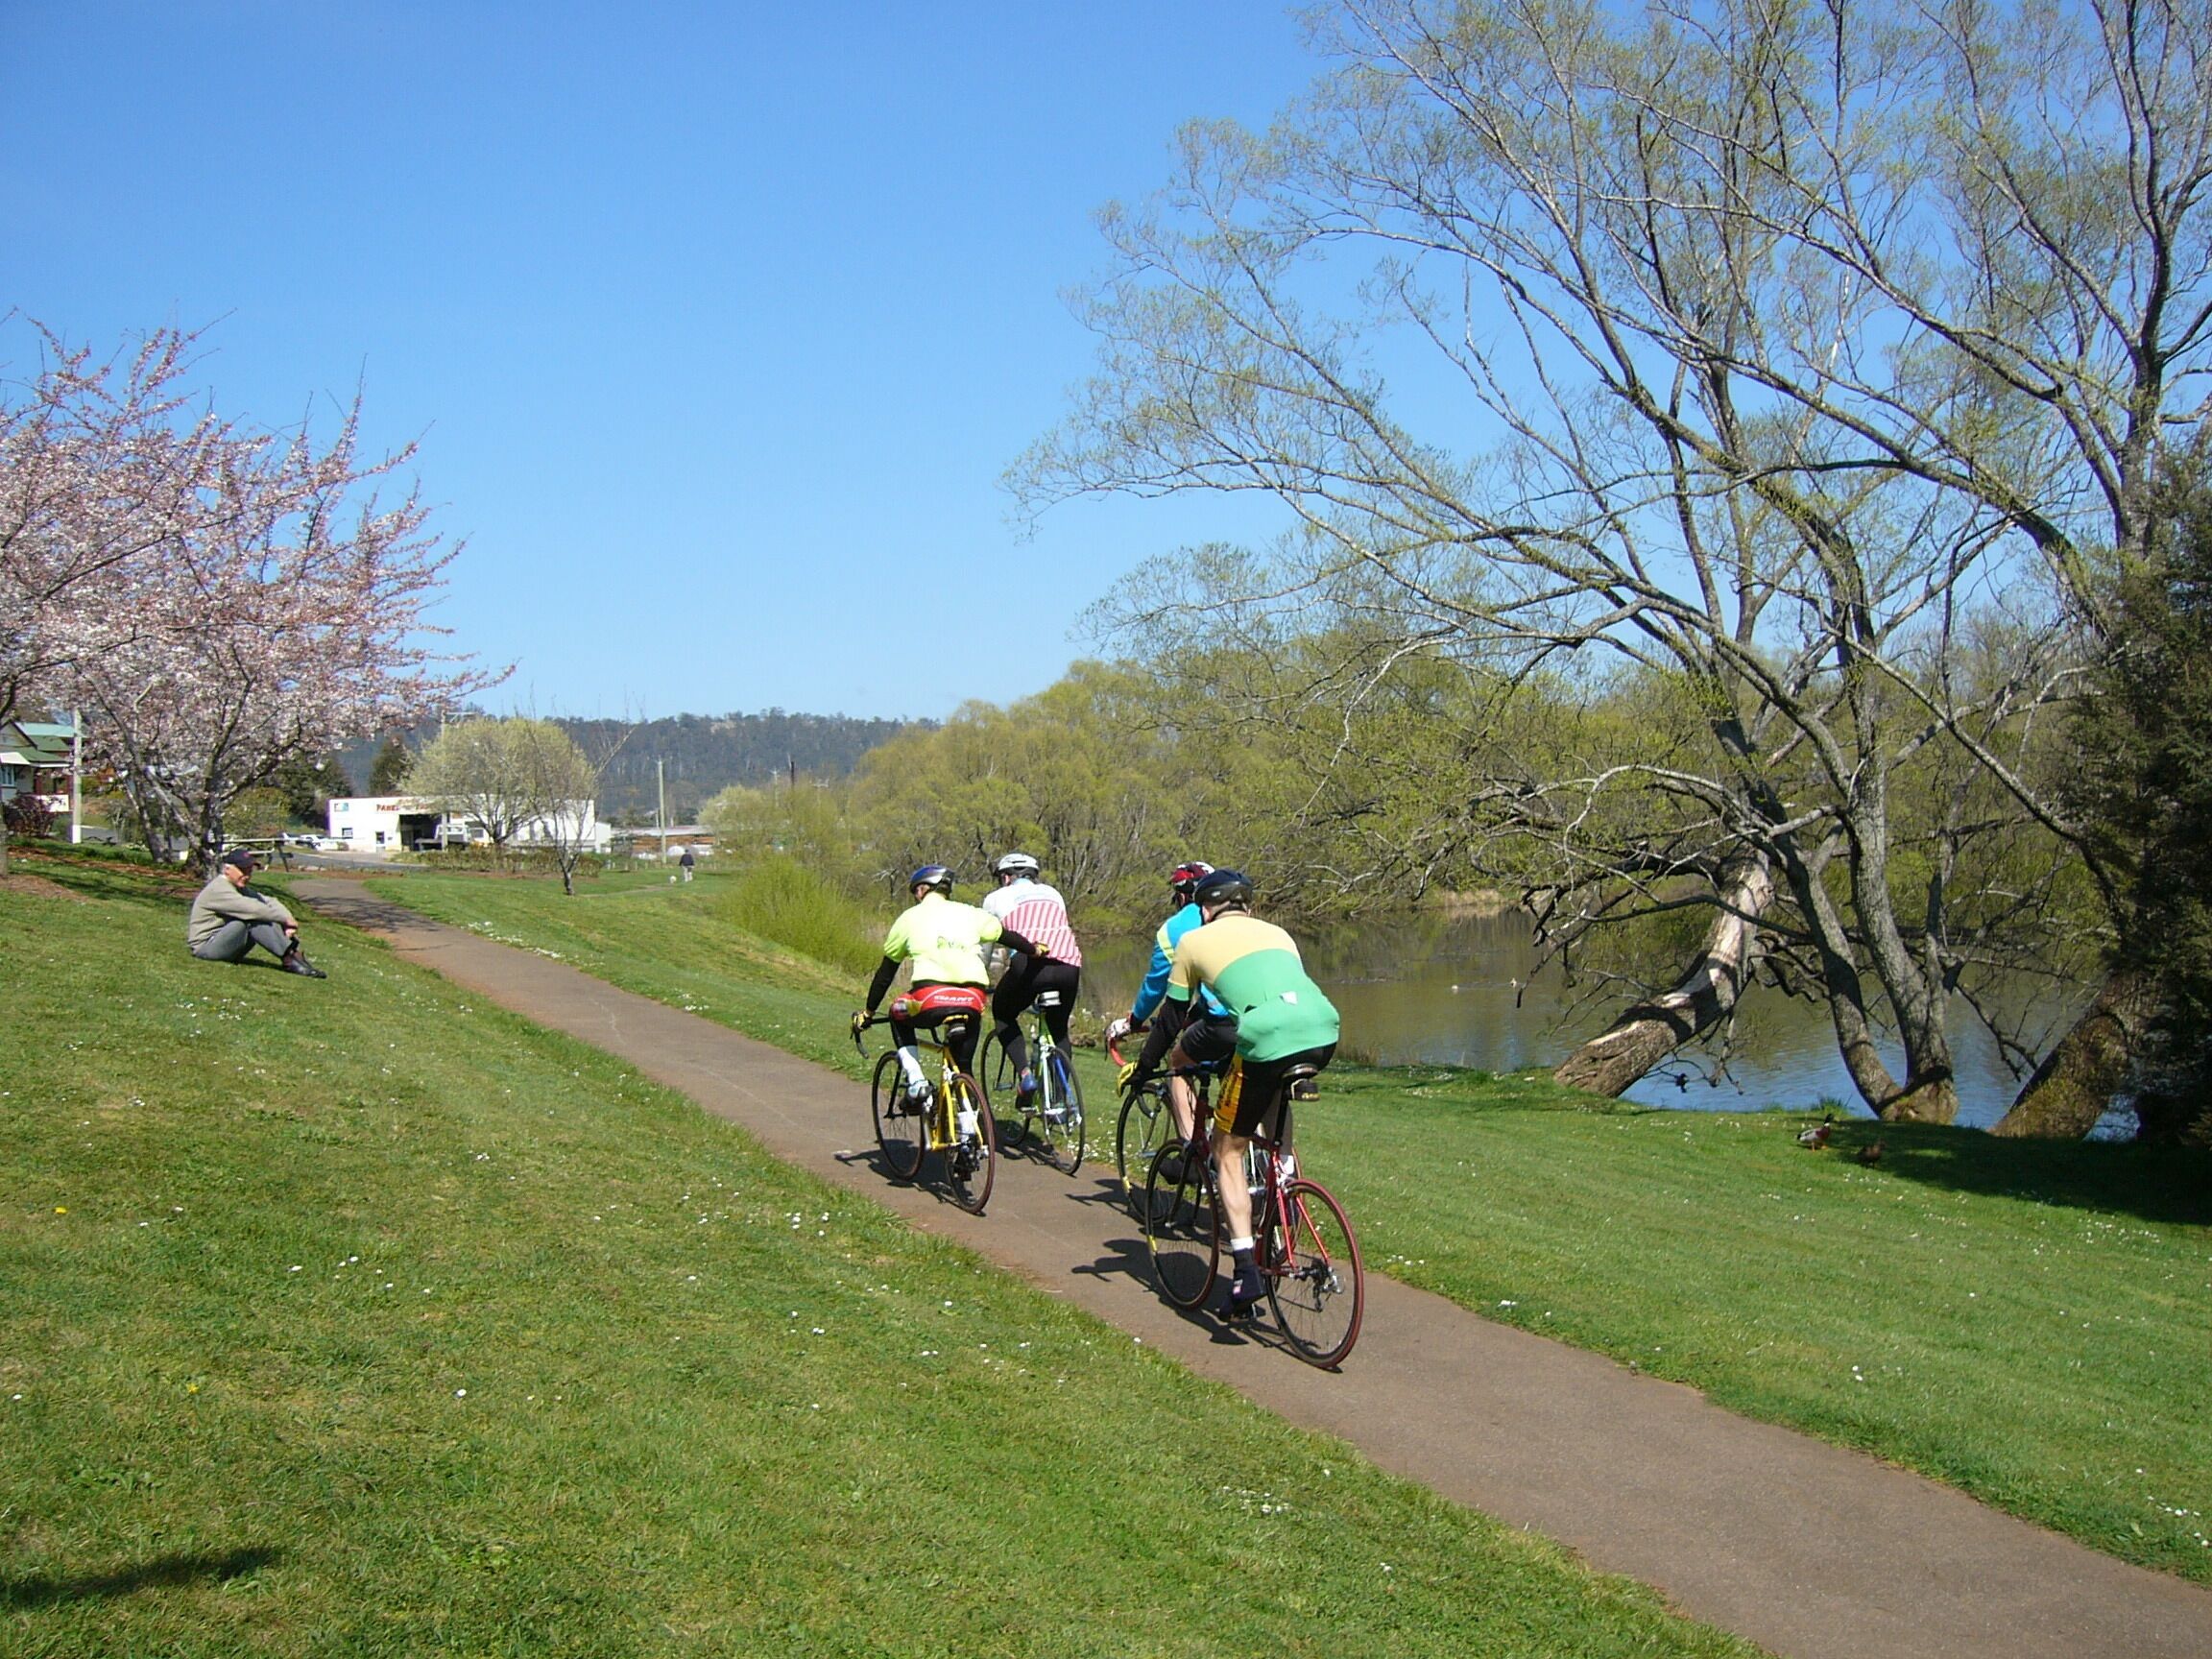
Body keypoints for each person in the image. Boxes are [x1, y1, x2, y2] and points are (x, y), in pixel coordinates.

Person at [1159, 868, 1337, 1318]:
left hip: (1264, 1036)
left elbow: (1173, 1015)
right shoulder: (1279, 934)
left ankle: (1244, 1272)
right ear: (1248, 907)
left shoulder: (1191, 941)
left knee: (1228, 1151)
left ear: (1203, 909)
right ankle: (1286, 1183)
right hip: (1324, 1029)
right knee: (1275, 1118)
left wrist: (1147, 1065)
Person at [853, 865, 1037, 1111]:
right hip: (973, 998)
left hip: (930, 998)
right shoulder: (971, 914)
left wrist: (868, 1013)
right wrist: (1033, 949)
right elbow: (1006, 936)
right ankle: (970, 1128)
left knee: (897, 1013)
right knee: (963, 1065)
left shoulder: (909, 918)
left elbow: (886, 973)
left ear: (921, 890)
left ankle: (917, 1082)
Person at [1102, 860, 1224, 1148]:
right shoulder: (1238, 920)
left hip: (1218, 1020)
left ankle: (1190, 1152)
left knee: (1179, 1067)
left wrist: (1133, 1021)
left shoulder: (1173, 930)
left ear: (1182, 896)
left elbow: (1156, 986)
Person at [978, 851, 1083, 1106]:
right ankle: (1059, 1103)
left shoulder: (995, 898)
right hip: (1069, 964)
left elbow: (986, 948)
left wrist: (979, 980)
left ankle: (1026, 1076)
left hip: (1029, 964)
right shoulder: (1053, 894)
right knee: (1059, 1030)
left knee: (1003, 1013)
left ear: (1006, 878)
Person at [185, 849, 327, 977]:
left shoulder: (238, 888)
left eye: (249, 870)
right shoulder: (219, 889)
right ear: (227, 869)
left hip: (226, 944)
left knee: (259, 914)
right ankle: (289, 958)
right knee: (253, 918)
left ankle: (292, 955)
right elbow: (254, 909)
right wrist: (285, 920)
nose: (247, 875)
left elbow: (270, 901)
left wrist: (289, 919)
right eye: (243, 870)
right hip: (207, 948)